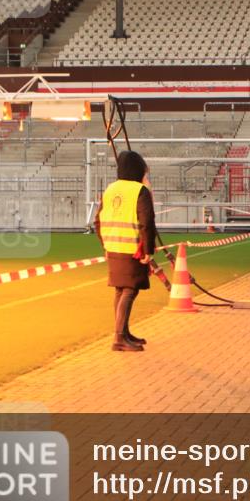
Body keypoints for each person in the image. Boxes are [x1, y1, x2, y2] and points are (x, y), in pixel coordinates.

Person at [95, 150, 157, 353]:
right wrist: (149, 250)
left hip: (113, 246)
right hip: (132, 248)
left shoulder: (110, 189)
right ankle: (119, 338)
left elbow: (98, 220)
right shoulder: (140, 190)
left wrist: (105, 244)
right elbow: (146, 221)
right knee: (130, 290)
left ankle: (124, 332)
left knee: (121, 289)